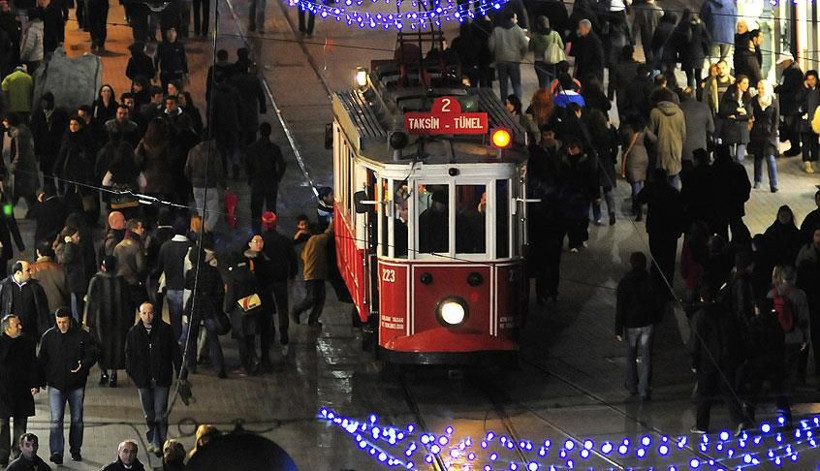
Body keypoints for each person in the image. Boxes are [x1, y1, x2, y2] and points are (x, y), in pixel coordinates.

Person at [37, 308, 96, 464]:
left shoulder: (82, 336)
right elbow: (42, 360)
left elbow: (92, 353)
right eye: (59, 322)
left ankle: (75, 449)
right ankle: (56, 451)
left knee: (77, 419)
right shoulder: (49, 337)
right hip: (56, 385)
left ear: (70, 321)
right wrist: (39, 381)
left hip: (76, 385)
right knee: (56, 420)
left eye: (64, 322)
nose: (62, 325)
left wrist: (83, 365)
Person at [689, 281, 747, 435]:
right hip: (727, 357)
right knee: (728, 389)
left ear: (702, 297)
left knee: (704, 392)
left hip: (708, 359)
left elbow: (695, 341)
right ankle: (739, 419)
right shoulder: (727, 313)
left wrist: (694, 360)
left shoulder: (700, 316)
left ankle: (702, 425)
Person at [125, 302, 182, 456]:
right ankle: (152, 439)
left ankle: (161, 443)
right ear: (140, 314)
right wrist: (135, 376)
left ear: (155, 313)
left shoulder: (165, 330)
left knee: (160, 413)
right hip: (143, 380)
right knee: (148, 414)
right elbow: (129, 357)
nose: (147, 316)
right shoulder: (134, 333)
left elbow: (175, 352)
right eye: (144, 313)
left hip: (161, 379)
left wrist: (181, 372)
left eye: (150, 313)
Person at [615, 252, 660, 401]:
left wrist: (618, 328)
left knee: (630, 355)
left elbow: (620, 307)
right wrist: (657, 319)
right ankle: (644, 388)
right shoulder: (650, 281)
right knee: (646, 356)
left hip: (631, 324)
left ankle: (632, 384)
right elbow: (657, 303)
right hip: (647, 323)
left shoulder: (625, 282)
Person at [183, 235, 225, 377]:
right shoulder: (213, 272)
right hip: (209, 307)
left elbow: (187, 286)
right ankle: (219, 367)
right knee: (213, 337)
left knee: (192, 336)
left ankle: (192, 365)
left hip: (194, 306)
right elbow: (220, 290)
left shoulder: (191, 273)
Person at [86, 256, 131, 387]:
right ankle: (113, 374)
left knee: (101, 346)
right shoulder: (122, 281)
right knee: (117, 347)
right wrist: (129, 321)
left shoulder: (96, 280)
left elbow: (90, 302)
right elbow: (128, 302)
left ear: (103, 266)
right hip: (119, 320)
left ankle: (103, 373)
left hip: (100, 320)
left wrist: (89, 321)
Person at [0, 315, 39, 466]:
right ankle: (2, 457)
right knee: (2, 425)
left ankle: (17, 456)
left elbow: (33, 365)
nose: (20, 327)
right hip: (3, 392)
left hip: (22, 391)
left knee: (20, 425)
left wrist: (34, 383)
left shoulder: (27, 342)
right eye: (16, 325)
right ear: (7, 328)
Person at [637, 168, 685, 291]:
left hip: (655, 229)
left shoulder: (651, 189)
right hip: (671, 230)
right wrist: (680, 229)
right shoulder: (674, 192)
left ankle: (655, 285)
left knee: (656, 258)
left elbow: (639, 199)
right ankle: (667, 287)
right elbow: (680, 212)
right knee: (669, 260)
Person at [767, 266, 810, 393]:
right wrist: (806, 337)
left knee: (778, 366)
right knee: (791, 367)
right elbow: (804, 318)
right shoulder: (800, 294)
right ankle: (788, 396)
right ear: (795, 278)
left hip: (776, 336)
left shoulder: (772, 293)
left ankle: (778, 394)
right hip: (794, 336)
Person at [261, 212, 297, 352]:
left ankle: (270, 333)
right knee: (283, 308)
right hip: (281, 280)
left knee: (267, 309)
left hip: (265, 281)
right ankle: (284, 334)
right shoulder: (285, 240)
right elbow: (293, 259)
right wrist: (292, 275)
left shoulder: (261, 240)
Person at [155, 220, 191, 344]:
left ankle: (176, 344)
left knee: (175, 319)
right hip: (187, 289)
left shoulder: (166, 246)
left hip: (171, 287)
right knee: (188, 319)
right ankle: (187, 344)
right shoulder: (190, 246)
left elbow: (160, 267)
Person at [247, 123, 286, 233]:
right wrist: (277, 178)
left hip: (257, 182)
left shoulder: (252, 148)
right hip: (271, 182)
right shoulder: (274, 148)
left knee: (255, 210)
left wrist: (250, 178)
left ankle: (256, 233)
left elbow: (247, 165)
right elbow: (282, 165)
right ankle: (271, 231)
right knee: (271, 209)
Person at [292, 227, 331, 326]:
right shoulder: (315, 240)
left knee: (320, 299)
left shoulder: (310, 244)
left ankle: (313, 320)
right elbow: (328, 234)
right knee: (312, 298)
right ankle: (297, 310)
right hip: (313, 275)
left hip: (316, 274)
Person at [0, 261, 49, 338]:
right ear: (18, 272)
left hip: (31, 332)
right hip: (11, 333)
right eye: (27, 270)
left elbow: (43, 309)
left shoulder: (36, 287)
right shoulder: (4, 286)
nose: (31, 272)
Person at [649, 89, 686, 189]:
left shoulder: (655, 112)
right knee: (674, 178)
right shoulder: (679, 112)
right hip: (676, 149)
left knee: (660, 182)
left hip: (660, 150)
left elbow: (651, 134)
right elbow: (683, 134)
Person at [185, 139, 224, 232]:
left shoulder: (193, 151)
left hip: (196, 186)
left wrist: (192, 181)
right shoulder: (213, 152)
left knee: (202, 212)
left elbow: (187, 169)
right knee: (214, 212)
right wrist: (224, 184)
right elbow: (218, 170)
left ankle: (200, 233)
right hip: (210, 185)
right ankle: (205, 231)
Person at [488, 10, 528, 100]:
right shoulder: (518, 30)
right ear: (511, 19)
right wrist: (521, 55)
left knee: (503, 84)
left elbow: (491, 46)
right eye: (515, 18)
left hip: (501, 60)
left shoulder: (497, 30)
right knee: (516, 84)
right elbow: (525, 44)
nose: (516, 20)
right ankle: (518, 105)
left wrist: (496, 54)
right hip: (514, 60)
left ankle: (504, 103)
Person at [750, 80, 779, 192]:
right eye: (759, 88)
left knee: (771, 159)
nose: (760, 90)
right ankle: (757, 180)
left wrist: (773, 133)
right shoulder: (754, 100)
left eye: (762, 88)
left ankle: (774, 184)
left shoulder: (774, 101)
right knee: (758, 158)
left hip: (769, 134)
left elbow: (776, 119)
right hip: (757, 133)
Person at [775, 52, 804, 157]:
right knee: (790, 126)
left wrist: (775, 88)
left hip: (792, 105)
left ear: (787, 61)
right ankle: (794, 147)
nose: (782, 65)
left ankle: (795, 148)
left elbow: (786, 86)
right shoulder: (788, 71)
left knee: (793, 128)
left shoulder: (794, 72)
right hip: (789, 105)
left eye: (783, 62)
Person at [679, 88, 714, 172]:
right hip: (701, 149)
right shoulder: (704, 108)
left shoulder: (679, 108)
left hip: (683, 150)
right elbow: (711, 129)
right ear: (694, 95)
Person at [29, 242, 68, 314]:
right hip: (59, 308)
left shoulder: (31, 270)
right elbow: (67, 290)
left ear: (38, 252)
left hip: (39, 310)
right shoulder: (60, 269)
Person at [528, 16, 563, 89]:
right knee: (553, 84)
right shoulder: (555, 34)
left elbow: (530, 48)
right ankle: (552, 98)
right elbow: (562, 46)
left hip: (539, 62)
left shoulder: (534, 36)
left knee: (543, 84)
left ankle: (545, 98)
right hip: (552, 61)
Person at [800, 70, 820, 173]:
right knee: (806, 142)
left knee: (815, 142)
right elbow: (797, 100)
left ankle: (814, 161)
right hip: (805, 121)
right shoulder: (804, 90)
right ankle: (806, 162)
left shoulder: (818, 91)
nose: (811, 81)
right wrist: (804, 88)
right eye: (809, 79)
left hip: (816, 121)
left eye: (813, 79)